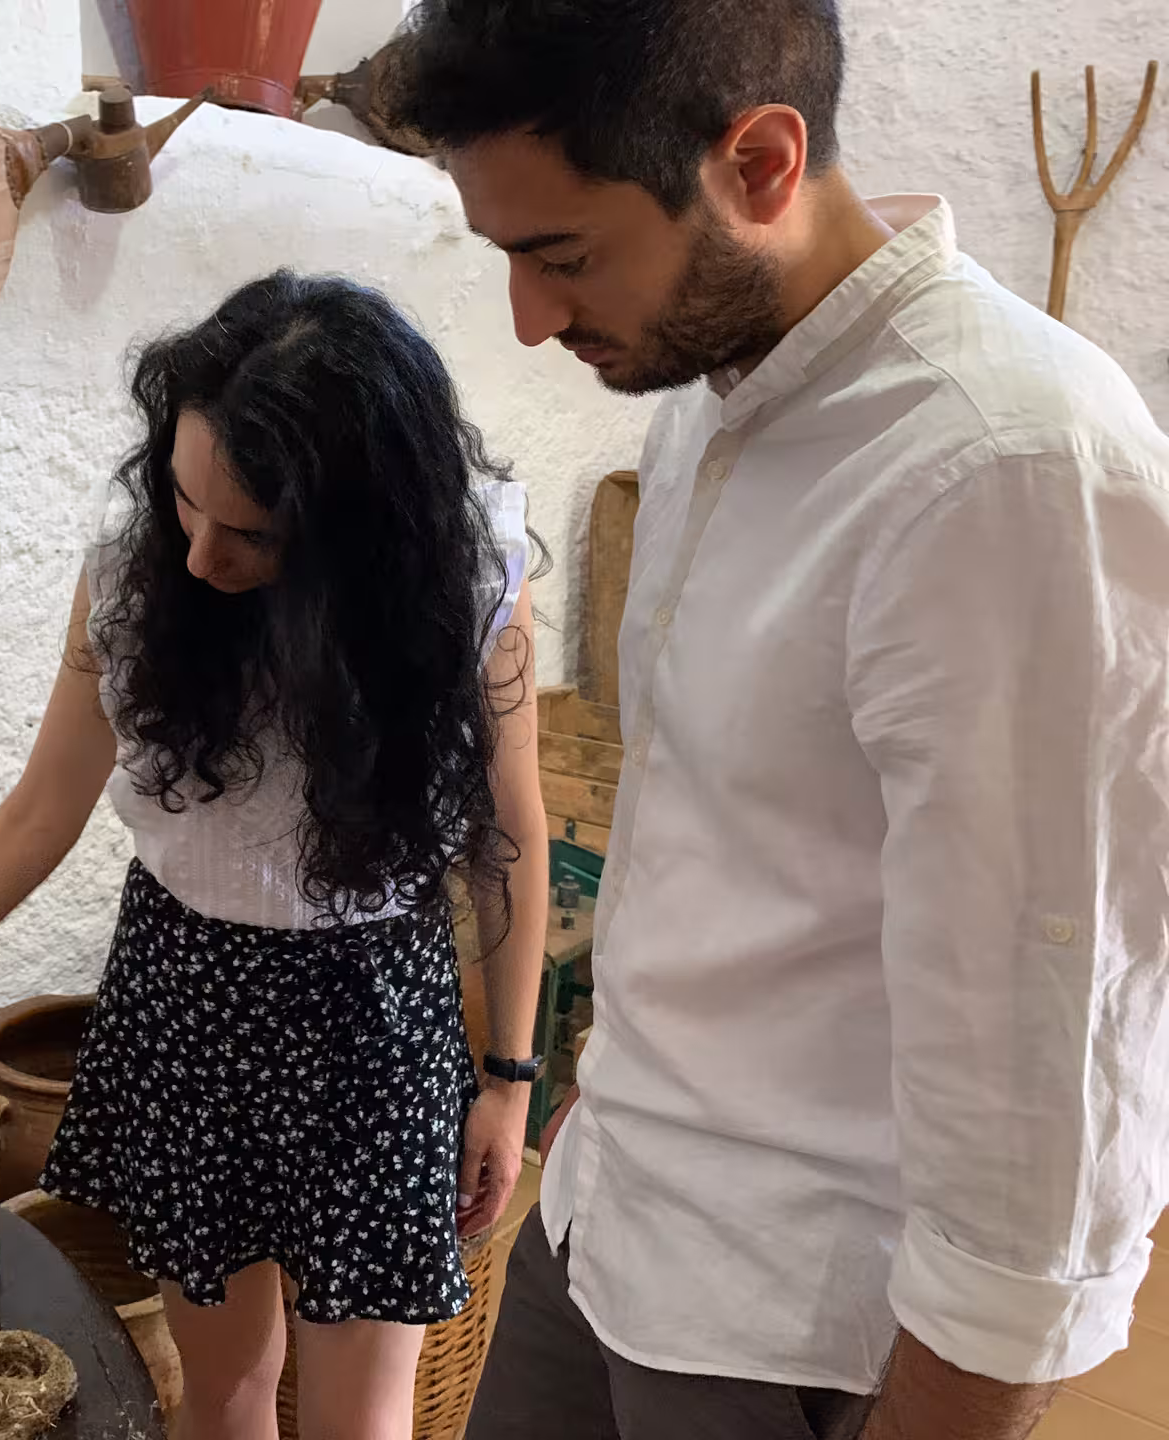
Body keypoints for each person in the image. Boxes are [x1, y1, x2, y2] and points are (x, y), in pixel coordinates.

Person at [387, 2, 1169, 1438]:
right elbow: (724, 825)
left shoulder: (1008, 470)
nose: (529, 319)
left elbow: (1056, 1068)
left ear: (758, 161)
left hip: (794, 1316)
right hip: (617, 1198)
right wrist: (609, 1088)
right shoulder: (711, 387)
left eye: (561, 256)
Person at [0, 271, 552, 1440]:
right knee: (220, 1395)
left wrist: (507, 1082)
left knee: (363, 1423)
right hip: (186, 1000)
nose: (202, 553)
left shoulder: (458, 590)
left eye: (252, 534)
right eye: (183, 500)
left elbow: (505, 834)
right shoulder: (136, 580)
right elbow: (34, 818)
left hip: (374, 1016)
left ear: (357, 538)